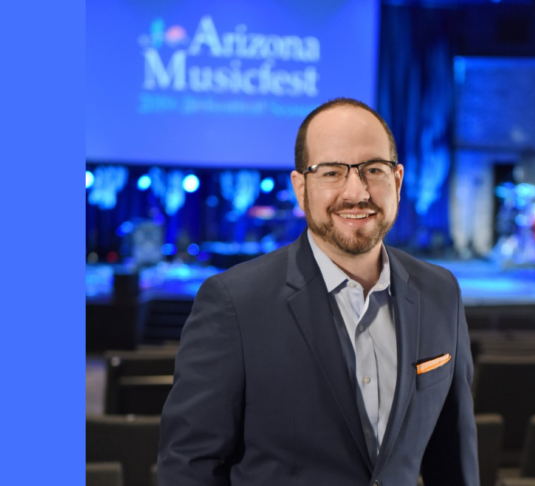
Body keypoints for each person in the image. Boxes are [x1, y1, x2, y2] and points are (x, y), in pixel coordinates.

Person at [158, 98, 479, 486]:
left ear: (397, 181)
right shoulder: (234, 303)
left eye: (373, 170)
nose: (356, 191)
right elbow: (189, 467)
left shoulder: (441, 292)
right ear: (301, 187)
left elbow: (453, 461)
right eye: (331, 172)